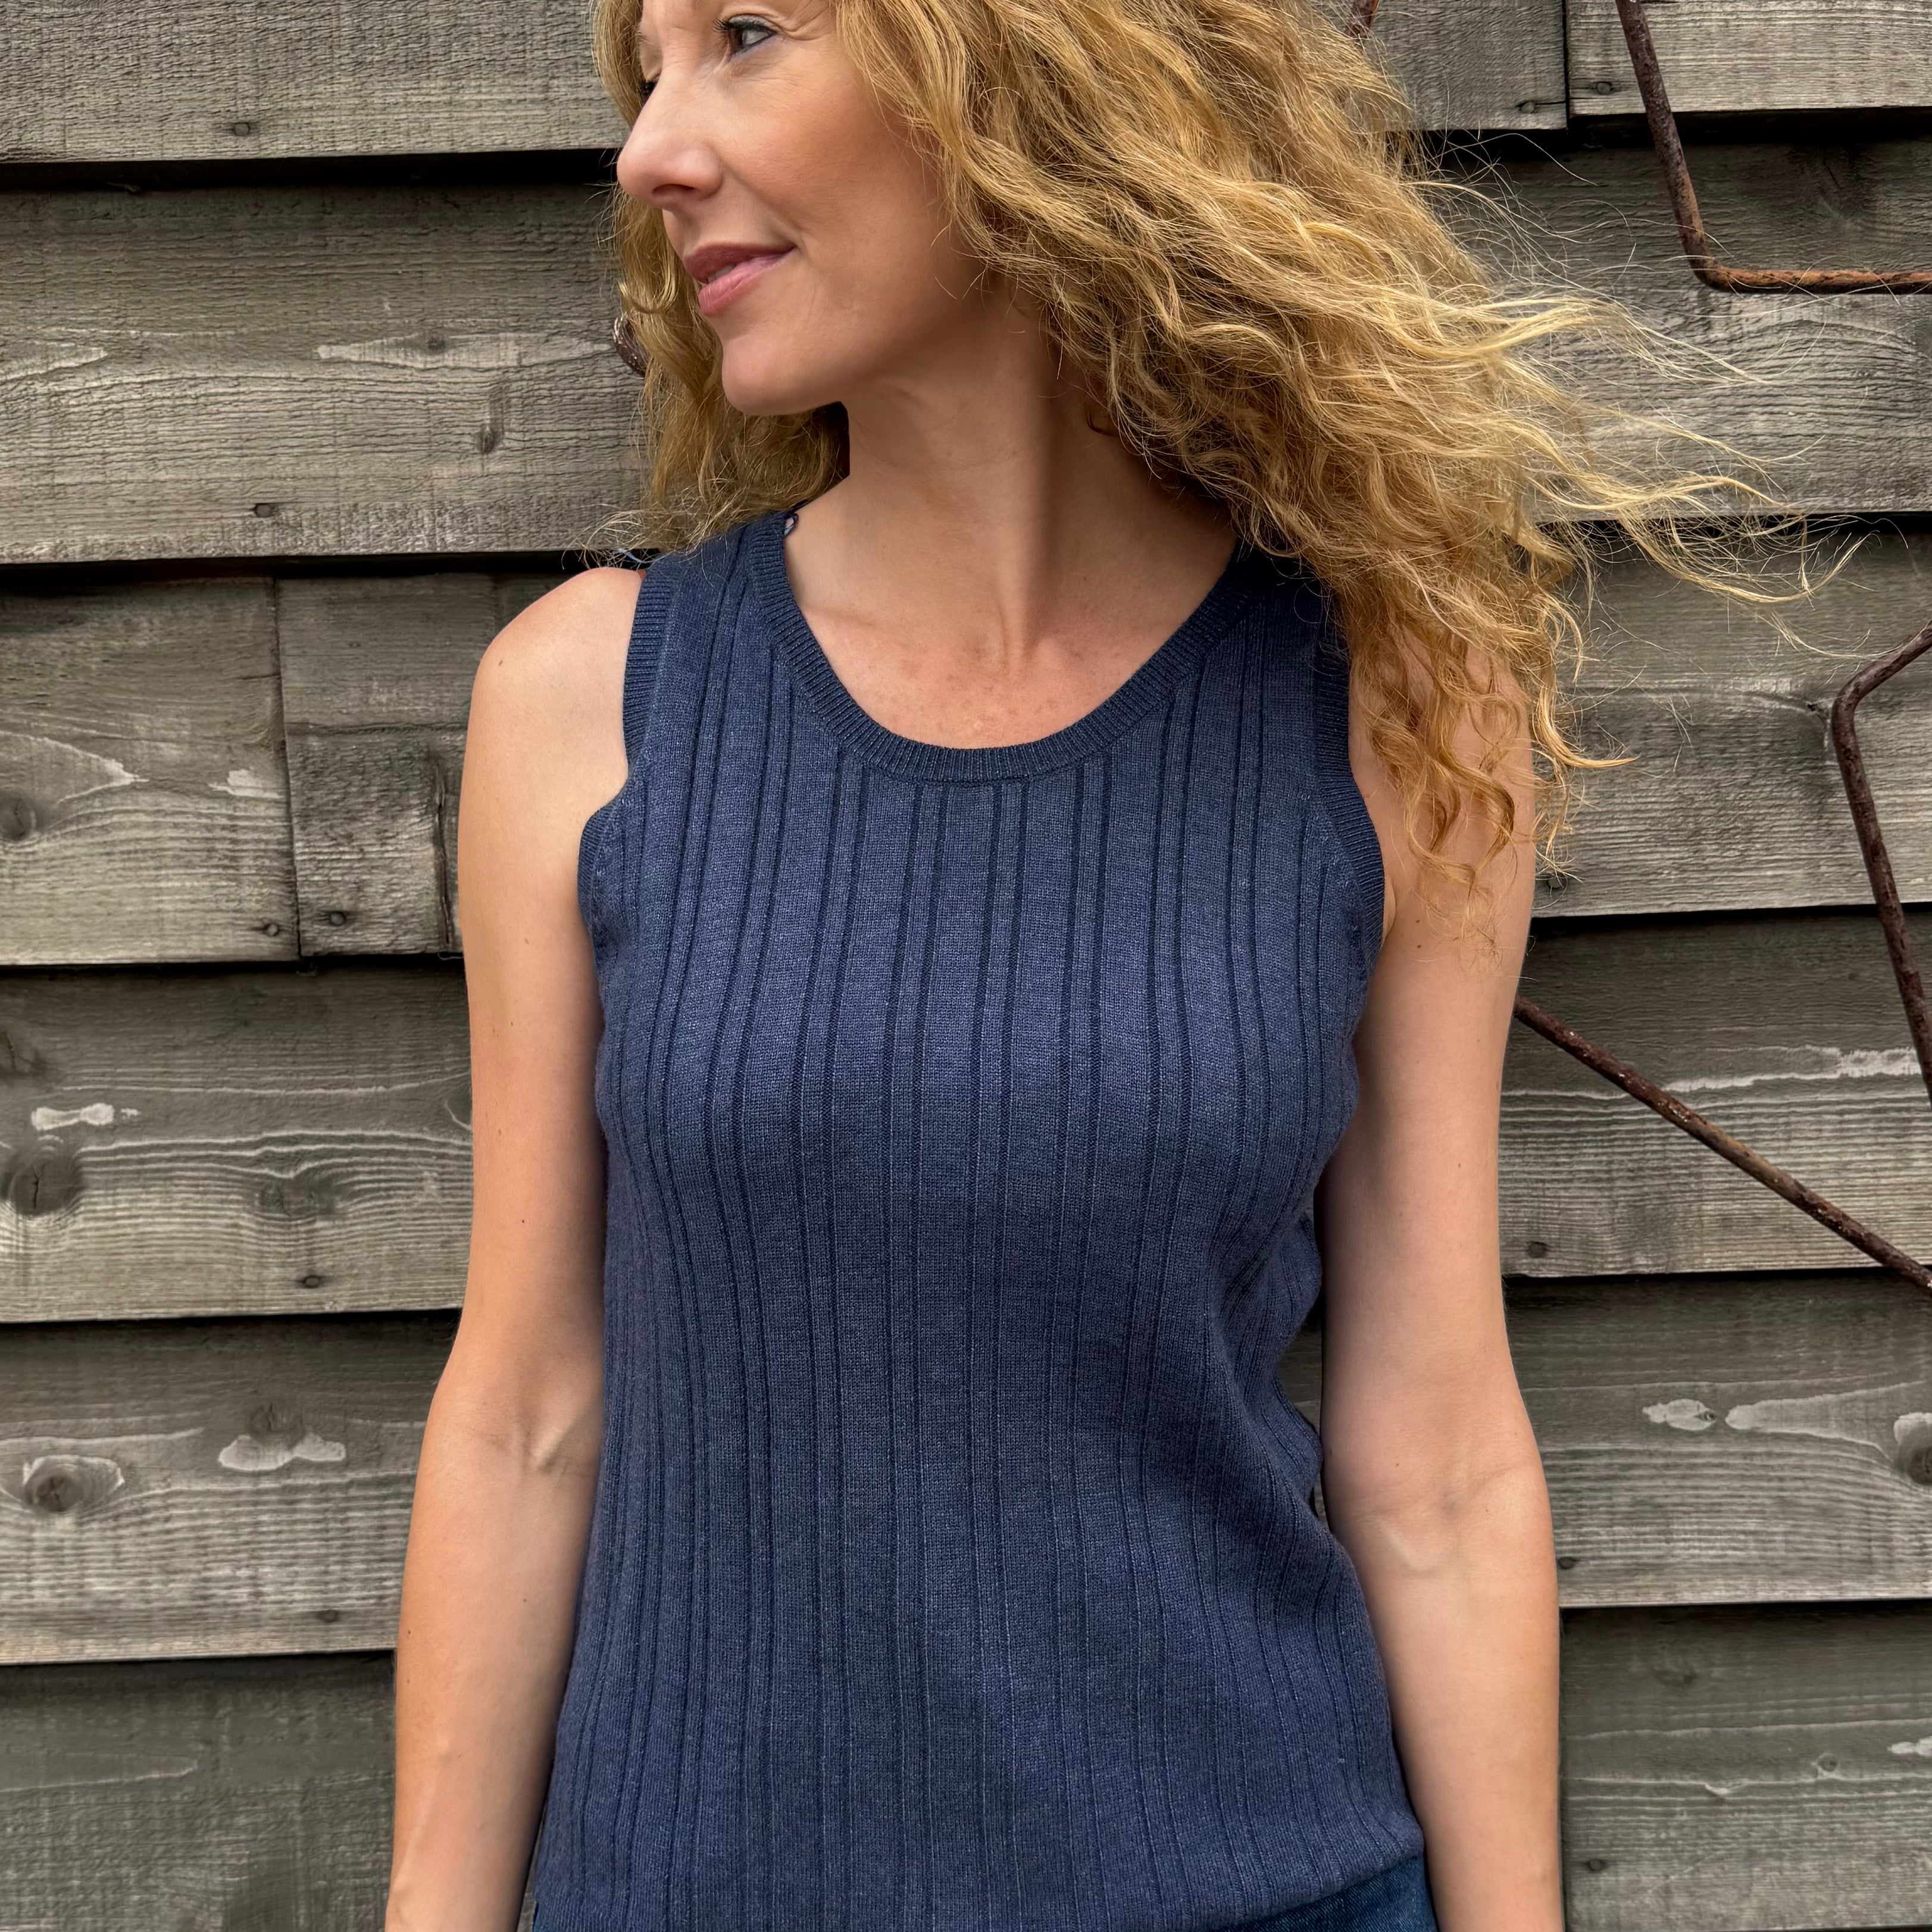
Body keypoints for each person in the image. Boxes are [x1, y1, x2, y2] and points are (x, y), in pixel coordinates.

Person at [384, 3, 1792, 1929]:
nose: (651, 149)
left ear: (1024, 70)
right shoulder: (592, 702)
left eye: (744, 36)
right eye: (650, 72)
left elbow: (1440, 1449)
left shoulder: (1391, 702)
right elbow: (529, 1409)